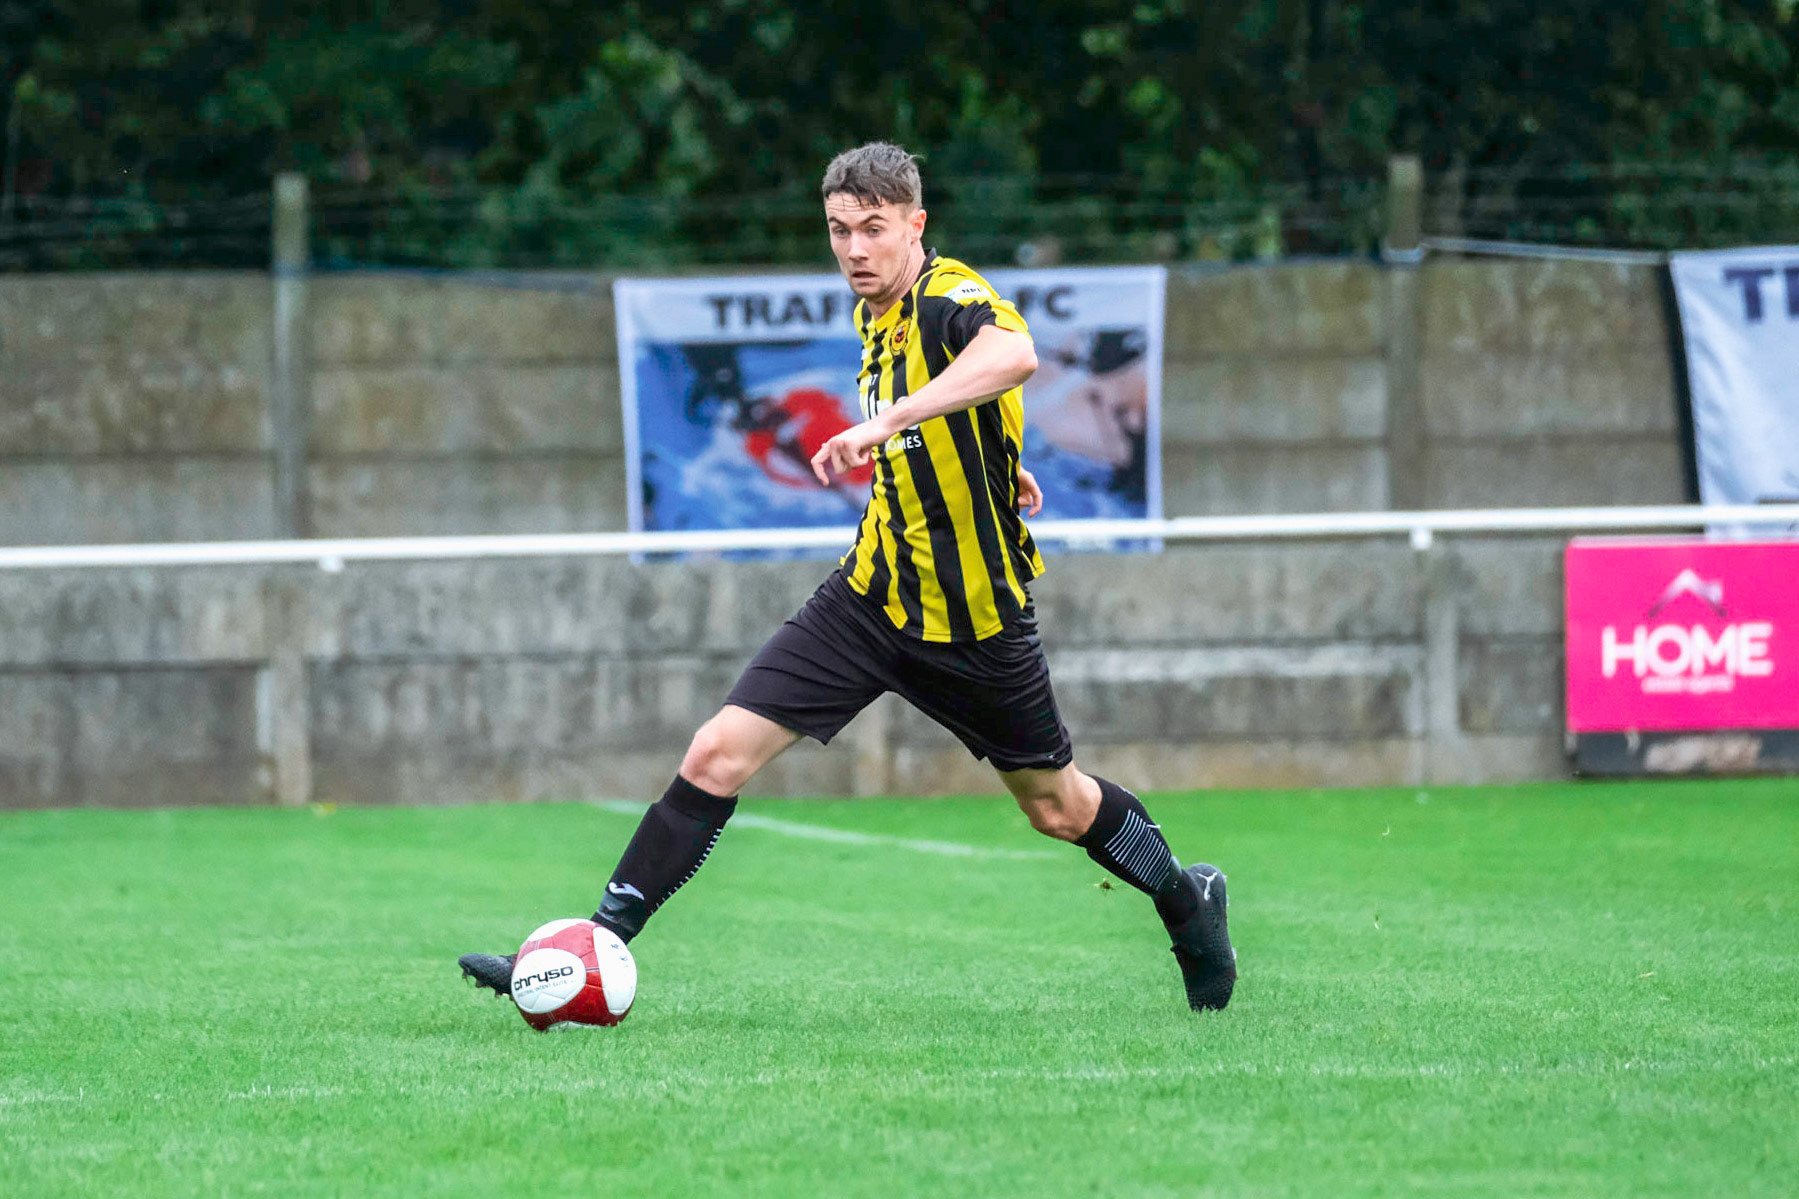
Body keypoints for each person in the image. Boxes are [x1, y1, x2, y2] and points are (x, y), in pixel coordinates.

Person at [459, 142, 1235, 1011]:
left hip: (973, 620)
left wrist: (891, 422)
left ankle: (1185, 900)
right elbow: (959, 415)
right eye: (839, 230)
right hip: (868, 600)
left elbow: (1012, 355)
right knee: (715, 752)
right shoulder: (875, 314)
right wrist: (992, 458)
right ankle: (584, 954)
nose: (855, 249)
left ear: (915, 224)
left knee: (1057, 806)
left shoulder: (945, 296)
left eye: (873, 228)